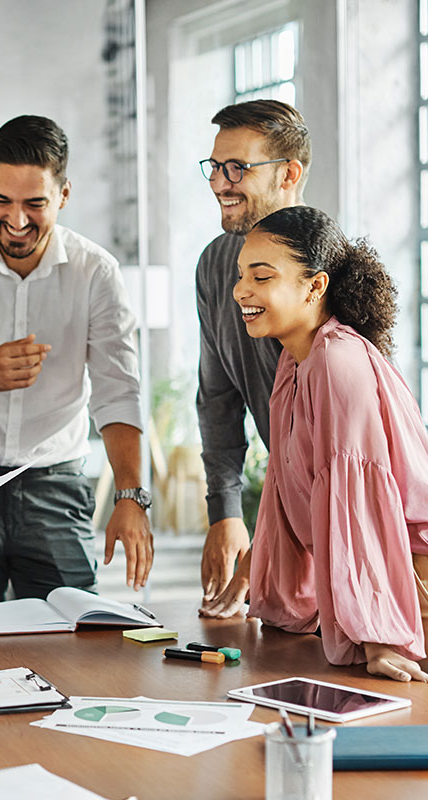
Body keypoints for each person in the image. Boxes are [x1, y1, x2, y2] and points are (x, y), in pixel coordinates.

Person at [0, 115, 154, 613]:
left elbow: (118, 391)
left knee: (72, 639)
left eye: (35, 204)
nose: (17, 220)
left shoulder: (97, 273)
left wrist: (131, 496)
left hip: (54, 483)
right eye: (1, 201)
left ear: (64, 196)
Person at [235, 205, 428, 682]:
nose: (242, 291)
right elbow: (287, 491)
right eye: (242, 276)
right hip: (378, 591)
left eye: (261, 277)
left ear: (315, 286)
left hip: (412, 588)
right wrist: (277, 597)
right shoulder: (294, 362)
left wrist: (379, 636)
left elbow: (362, 505)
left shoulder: (337, 361)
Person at [195, 100, 311, 616]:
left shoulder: (331, 271)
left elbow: (332, 450)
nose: (221, 182)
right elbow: (216, 399)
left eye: (238, 168)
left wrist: (262, 547)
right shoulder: (215, 264)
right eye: (216, 167)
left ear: (288, 174)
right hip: (290, 510)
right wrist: (225, 511)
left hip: (352, 518)